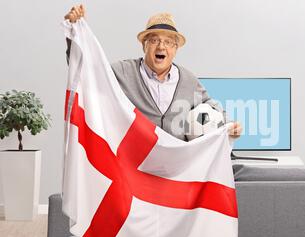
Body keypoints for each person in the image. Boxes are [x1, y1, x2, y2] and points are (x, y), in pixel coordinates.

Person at [64, 4, 242, 141]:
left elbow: (210, 105)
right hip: (134, 168)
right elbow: (88, 72)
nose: (161, 46)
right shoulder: (123, 72)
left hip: (176, 172)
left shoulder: (188, 81)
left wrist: (228, 124)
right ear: (144, 45)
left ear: (175, 49)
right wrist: (75, 34)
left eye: (168, 42)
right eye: (154, 40)